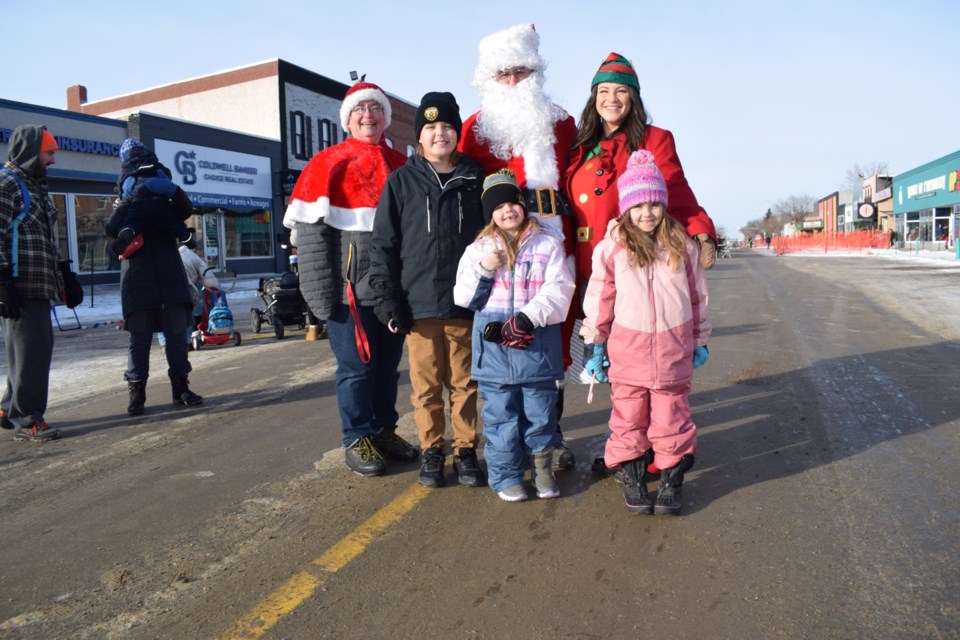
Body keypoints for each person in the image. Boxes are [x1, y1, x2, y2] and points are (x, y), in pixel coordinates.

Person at [563, 52, 718, 478]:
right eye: (604, 91)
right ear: (593, 97)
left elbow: (676, 192)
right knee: (610, 364)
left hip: (632, 263)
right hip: (584, 267)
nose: (612, 99)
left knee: (642, 365)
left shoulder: (654, 138)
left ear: (634, 97)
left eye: (621, 91)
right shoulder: (579, 144)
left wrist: (700, 230)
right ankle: (630, 445)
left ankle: (647, 451)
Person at [282, 81, 419, 477]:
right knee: (356, 370)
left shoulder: (401, 163)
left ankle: (382, 430)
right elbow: (310, 240)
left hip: (393, 293)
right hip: (349, 295)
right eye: (360, 110)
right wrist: (320, 297)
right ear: (347, 118)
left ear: (385, 118)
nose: (368, 116)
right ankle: (357, 436)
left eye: (376, 109)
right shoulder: (327, 163)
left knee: (387, 369)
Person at [459, 22, 578, 471]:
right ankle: (505, 443)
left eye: (521, 72)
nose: (512, 81)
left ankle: (550, 436)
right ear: (489, 79)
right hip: (500, 255)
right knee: (503, 345)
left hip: (554, 244)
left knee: (553, 342)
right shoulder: (474, 128)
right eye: (503, 73)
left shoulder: (562, 121)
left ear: (536, 74)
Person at [580, 151, 711, 515]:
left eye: (655, 203)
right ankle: (634, 475)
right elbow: (600, 296)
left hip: (673, 349)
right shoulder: (613, 248)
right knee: (628, 419)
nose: (647, 212)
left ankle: (671, 479)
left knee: (672, 418)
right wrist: (595, 342)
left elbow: (697, 296)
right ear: (626, 207)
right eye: (639, 205)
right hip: (628, 351)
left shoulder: (681, 245)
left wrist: (700, 339)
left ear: (664, 205)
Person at [369, 92, 487, 488]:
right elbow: (383, 244)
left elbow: (494, 237)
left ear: (457, 133)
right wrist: (387, 298)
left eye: (447, 127)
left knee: (465, 384)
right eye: (431, 128)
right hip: (418, 305)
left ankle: (466, 451)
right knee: (425, 388)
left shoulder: (476, 178)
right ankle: (432, 451)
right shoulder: (401, 180)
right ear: (419, 136)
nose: (440, 134)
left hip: (464, 304)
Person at [453, 170, 574, 502]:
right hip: (494, 355)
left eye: (512, 203)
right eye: (498, 206)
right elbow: (464, 297)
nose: (507, 211)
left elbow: (560, 289)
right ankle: (506, 476)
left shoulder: (548, 243)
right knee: (500, 417)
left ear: (523, 205)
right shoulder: (479, 249)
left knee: (540, 414)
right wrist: (485, 268)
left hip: (536, 349)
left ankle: (543, 471)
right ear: (490, 214)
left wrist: (527, 317)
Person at [105, 139, 203, 416]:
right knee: (139, 340)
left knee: (176, 337)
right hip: (138, 280)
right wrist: (127, 201)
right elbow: (112, 231)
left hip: (170, 275)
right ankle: (137, 395)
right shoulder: (123, 200)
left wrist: (172, 190)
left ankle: (181, 389)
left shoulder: (167, 200)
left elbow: (185, 210)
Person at [0, 125, 81, 441]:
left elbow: (46, 238)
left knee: (24, 351)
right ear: (31, 152)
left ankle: (9, 408)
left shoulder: (34, 187)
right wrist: (3, 281)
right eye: (49, 153)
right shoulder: (7, 184)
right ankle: (28, 418)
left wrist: (65, 276)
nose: (53, 160)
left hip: (37, 283)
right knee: (33, 351)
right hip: (20, 285)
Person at [110, 138, 194, 258]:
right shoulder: (156, 166)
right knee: (172, 222)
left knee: (131, 222)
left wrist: (124, 200)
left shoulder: (127, 173)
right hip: (159, 204)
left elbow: (126, 190)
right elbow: (166, 179)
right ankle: (186, 237)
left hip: (137, 205)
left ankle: (127, 232)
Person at [158, 234, 217, 352]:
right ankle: (186, 341)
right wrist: (216, 288)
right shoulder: (191, 256)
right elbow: (207, 274)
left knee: (163, 314)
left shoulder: (161, 255)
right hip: (184, 286)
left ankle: (164, 343)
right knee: (186, 314)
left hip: (162, 286)